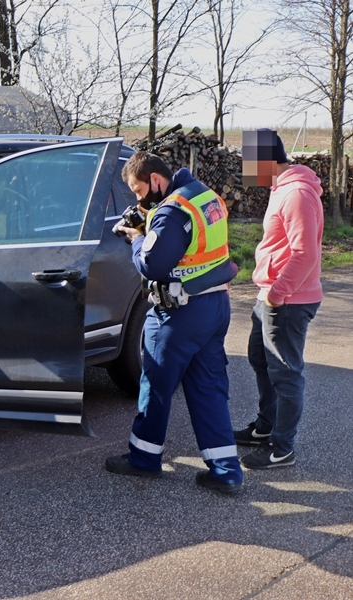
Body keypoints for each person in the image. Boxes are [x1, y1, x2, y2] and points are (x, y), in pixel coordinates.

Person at [105, 151, 243, 493]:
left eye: (138, 191)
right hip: (215, 304)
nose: (138, 198)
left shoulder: (171, 211)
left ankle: (143, 458)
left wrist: (136, 239)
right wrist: (148, 216)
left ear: (155, 180)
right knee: (208, 387)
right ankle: (227, 471)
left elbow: (152, 264)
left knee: (155, 384)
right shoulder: (203, 195)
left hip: (180, 313)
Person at [234, 130, 322, 469]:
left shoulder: (297, 193)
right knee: (260, 360)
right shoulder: (281, 189)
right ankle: (265, 427)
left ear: (267, 160)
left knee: (285, 373)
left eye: (249, 162)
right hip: (272, 294)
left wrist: (276, 293)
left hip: (288, 299)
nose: (245, 169)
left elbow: (305, 253)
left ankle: (281, 448)